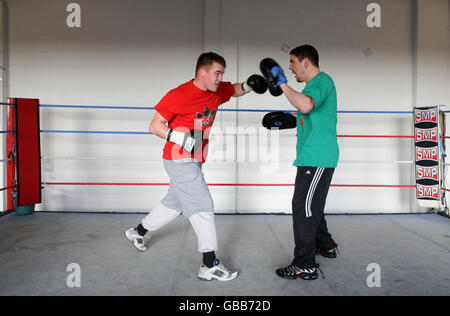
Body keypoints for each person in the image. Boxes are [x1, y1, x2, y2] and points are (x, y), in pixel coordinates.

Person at [125, 52, 267, 281]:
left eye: (223, 73)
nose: (220, 78)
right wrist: (179, 138)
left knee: (174, 202)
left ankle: (137, 232)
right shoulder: (178, 95)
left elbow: (235, 89)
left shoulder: (217, 90)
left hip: (195, 158)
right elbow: (154, 125)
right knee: (202, 205)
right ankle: (209, 264)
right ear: (202, 72)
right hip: (178, 158)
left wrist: (250, 84)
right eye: (217, 73)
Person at [270, 45, 339, 280]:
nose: (290, 68)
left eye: (292, 62)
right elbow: (307, 112)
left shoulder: (321, 81)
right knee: (313, 205)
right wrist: (287, 119)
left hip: (317, 156)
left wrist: (281, 84)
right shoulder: (313, 86)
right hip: (315, 156)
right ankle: (325, 246)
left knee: (303, 208)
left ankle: (305, 264)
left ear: (306, 62)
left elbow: (306, 105)